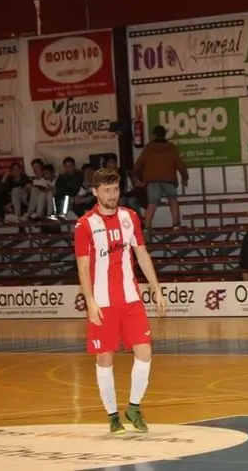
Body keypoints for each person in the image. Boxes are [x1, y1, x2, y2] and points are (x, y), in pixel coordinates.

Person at [73, 167, 166, 434]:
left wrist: (156, 288)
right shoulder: (85, 225)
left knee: (145, 352)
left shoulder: (130, 217)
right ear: (95, 192)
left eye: (115, 190)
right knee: (105, 358)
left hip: (131, 299)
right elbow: (83, 267)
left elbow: (142, 253)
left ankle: (134, 407)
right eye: (106, 191)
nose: (112, 195)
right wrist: (90, 301)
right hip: (102, 302)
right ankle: (113, 415)